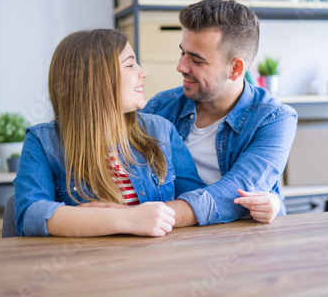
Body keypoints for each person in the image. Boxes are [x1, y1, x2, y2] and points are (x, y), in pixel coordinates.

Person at [14, 29, 279, 238]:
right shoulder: (42, 141)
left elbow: (199, 203)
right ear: (95, 79)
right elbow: (31, 214)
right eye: (130, 66)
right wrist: (128, 218)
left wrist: (267, 204)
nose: (143, 73)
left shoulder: (160, 131)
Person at [142, 0, 298, 227]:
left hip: (245, 242)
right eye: (183, 53)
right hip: (174, 240)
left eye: (196, 60)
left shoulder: (274, 119)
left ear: (235, 69)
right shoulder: (160, 107)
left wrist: (149, 216)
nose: (181, 66)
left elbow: (233, 195)